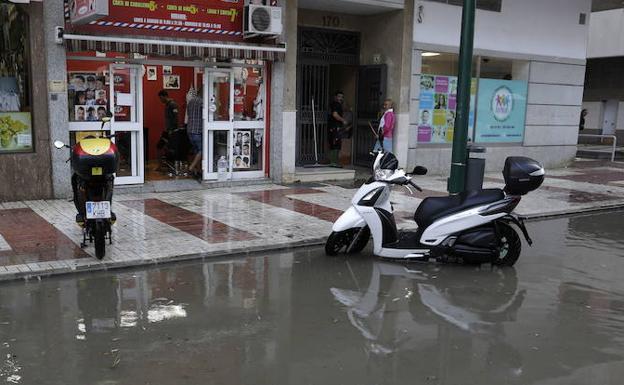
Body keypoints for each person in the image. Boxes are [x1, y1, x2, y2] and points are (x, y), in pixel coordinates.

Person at [186, 90, 203, 179]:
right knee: (202, 150)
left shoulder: (190, 102)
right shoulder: (202, 102)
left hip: (189, 130)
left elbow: (188, 114)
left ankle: (198, 171)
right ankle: (191, 167)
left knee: (196, 151)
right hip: (198, 130)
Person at [328, 91, 347, 167]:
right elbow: (335, 115)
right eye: (339, 96)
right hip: (335, 127)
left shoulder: (334, 104)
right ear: (335, 97)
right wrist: (343, 120)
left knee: (335, 144)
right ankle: (333, 162)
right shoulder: (336, 104)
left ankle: (334, 162)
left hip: (333, 127)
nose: (340, 98)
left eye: (342, 97)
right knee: (335, 144)